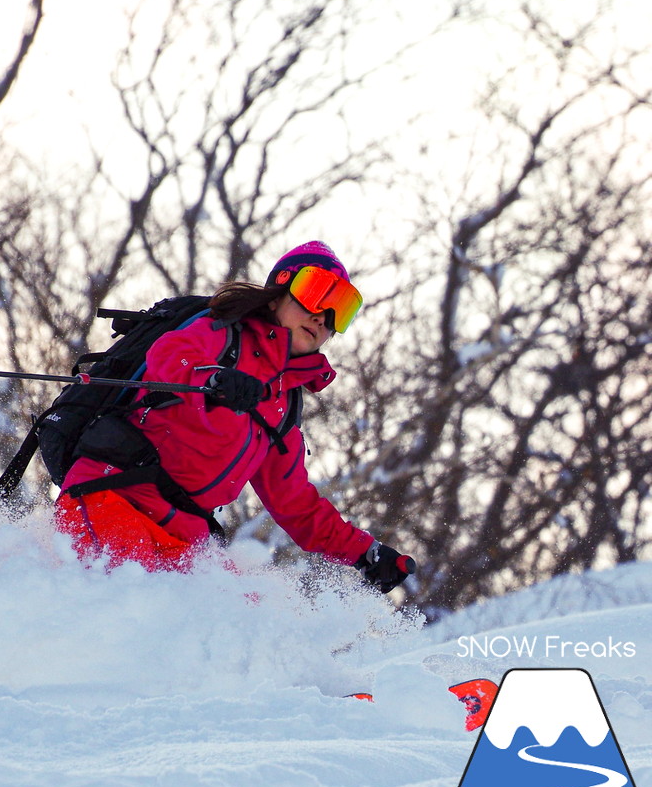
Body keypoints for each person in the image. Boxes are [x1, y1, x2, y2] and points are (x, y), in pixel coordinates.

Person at [53, 241, 412, 593]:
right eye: (315, 293)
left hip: (185, 536)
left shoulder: (282, 404)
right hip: (111, 499)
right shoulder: (222, 334)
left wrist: (364, 553)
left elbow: (295, 503)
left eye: (340, 310)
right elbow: (170, 357)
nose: (323, 317)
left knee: (245, 619)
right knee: (137, 609)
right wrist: (214, 378)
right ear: (276, 295)